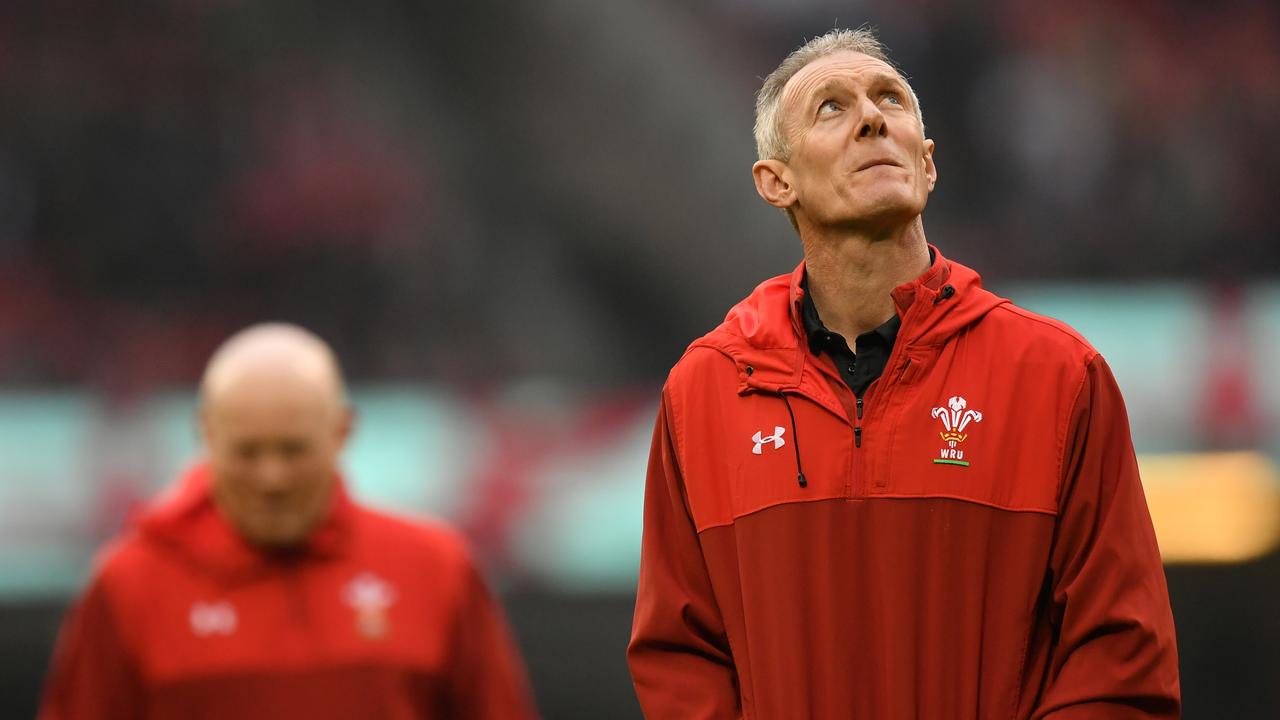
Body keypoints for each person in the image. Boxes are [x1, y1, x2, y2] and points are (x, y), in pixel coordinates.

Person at [628, 27, 1180, 718]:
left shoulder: (1058, 376)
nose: (870, 117)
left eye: (889, 99)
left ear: (926, 161)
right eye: (831, 107)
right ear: (777, 182)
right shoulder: (705, 391)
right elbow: (682, 659)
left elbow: (1119, 660)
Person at [40, 323, 537, 720]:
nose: (271, 477)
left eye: (293, 450)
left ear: (342, 432)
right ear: (206, 434)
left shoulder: (435, 569)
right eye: (248, 452)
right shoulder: (130, 585)